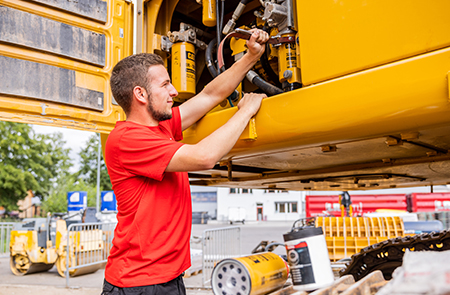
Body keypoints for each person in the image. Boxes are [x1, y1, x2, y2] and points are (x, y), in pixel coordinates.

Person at [102, 29, 269, 295]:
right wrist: (245, 111)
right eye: (165, 84)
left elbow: (210, 96)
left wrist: (250, 57)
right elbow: (204, 157)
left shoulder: (162, 127)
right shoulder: (126, 139)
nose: (174, 90)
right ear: (141, 95)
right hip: (139, 283)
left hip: (165, 278)